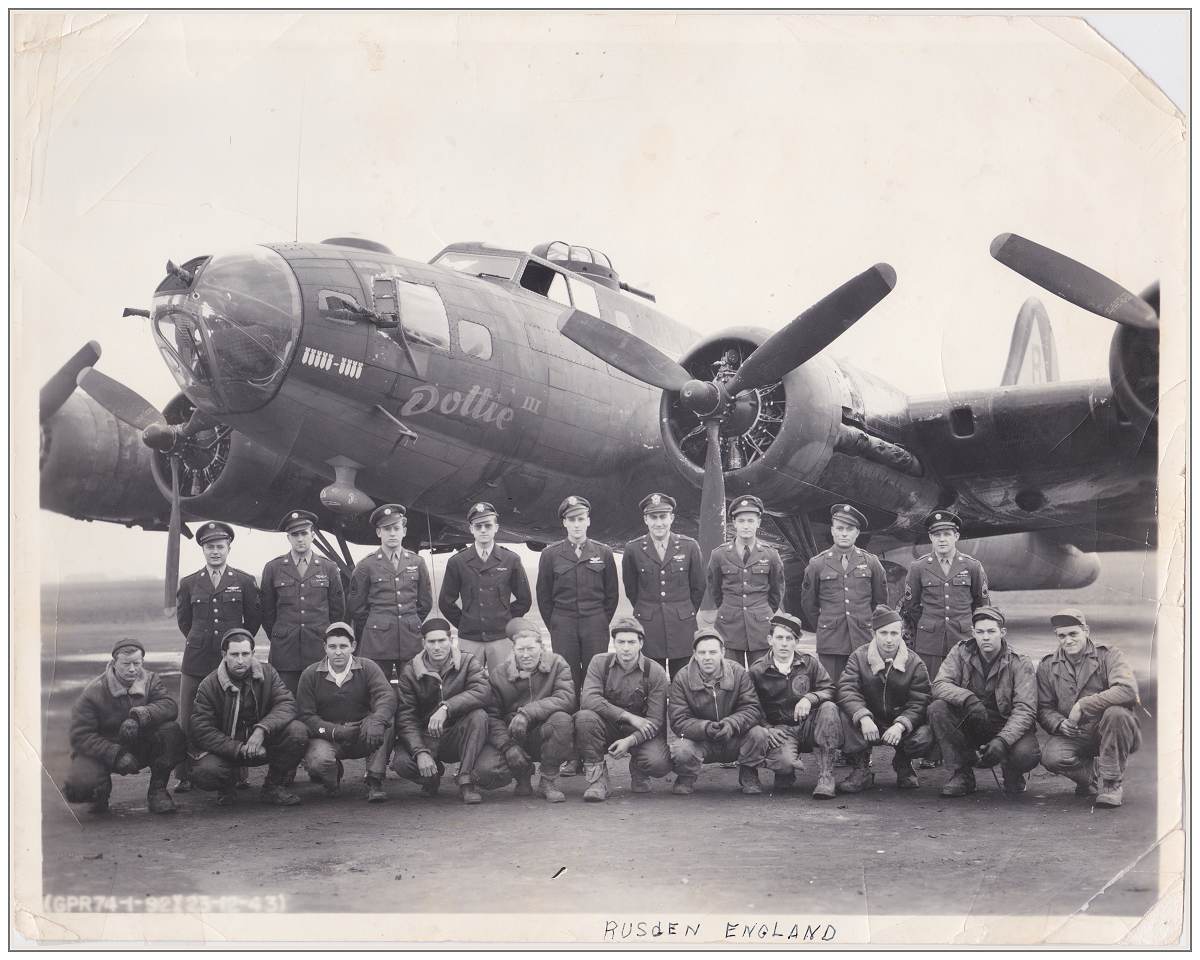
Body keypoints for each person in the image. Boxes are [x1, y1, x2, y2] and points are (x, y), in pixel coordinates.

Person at [174, 521, 262, 792]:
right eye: (210, 547)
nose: (215, 552)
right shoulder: (189, 583)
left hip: (232, 660)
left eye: (220, 547)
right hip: (198, 659)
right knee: (188, 715)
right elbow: (184, 622)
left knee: (237, 714)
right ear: (203, 550)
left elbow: (254, 619)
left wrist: (236, 647)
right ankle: (184, 774)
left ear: (228, 548)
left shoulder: (244, 581)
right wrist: (202, 640)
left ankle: (239, 773)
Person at [536, 495, 619, 775]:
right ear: (564, 523)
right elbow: (544, 597)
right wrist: (558, 624)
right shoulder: (550, 555)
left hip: (595, 621)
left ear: (589, 520)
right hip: (563, 623)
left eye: (581, 518)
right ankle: (571, 754)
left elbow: (611, 596)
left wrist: (598, 620)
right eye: (571, 519)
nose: (577, 524)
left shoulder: (603, 553)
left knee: (594, 685)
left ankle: (592, 750)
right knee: (568, 686)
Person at [391, 618, 509, 804]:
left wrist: (446, 707)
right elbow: (406, 717)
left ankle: (466, 780)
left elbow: (482, 692)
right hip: (427, 737)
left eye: (441, 641)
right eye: (431, 642)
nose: (437, 647)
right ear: (423, 643)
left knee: (479, 716)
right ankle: (431, 778)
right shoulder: (410, 671)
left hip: (461, 736)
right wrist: (420, 751)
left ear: (451, 640)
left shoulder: (468, 662)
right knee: (402, 763)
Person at [62, 639, 186, 815]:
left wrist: (139, 716)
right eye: (126, 664)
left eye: (137, 663)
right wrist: (116, 754)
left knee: (171, 732)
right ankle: (100, 792)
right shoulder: (94, 691)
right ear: (114, 663)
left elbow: (168, 706)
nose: (132, 669)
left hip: (141, 746)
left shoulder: (151, 680)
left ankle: (157, 790)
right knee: (79, 786)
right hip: (105, 751)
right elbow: (80, 735)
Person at [188, 628, 309, 806]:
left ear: (253, 653)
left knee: (298, 731)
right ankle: (227, 786)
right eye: (234, 654)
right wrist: (238, 748)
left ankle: (273, 787)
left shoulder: (268, 673)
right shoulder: (209, 685)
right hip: (228, 750)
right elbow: (202, 730)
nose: (240, 660)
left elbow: (287, 704)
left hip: (263, 743)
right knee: (205, 772)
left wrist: (262, 730)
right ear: (224, 654)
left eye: (245, 654)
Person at [928, 606, 1040, 797]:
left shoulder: (1020, 662)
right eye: (980, 632)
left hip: (1005, 724)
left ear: (1002, 633)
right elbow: (939, 684)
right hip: (973, 720)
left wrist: (1003, 741)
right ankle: (962, 773)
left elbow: (1025, 709)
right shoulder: (960, 652)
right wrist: (967, 698)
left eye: (991, 631)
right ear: (973, 633)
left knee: (1026, 755)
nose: (985, 637)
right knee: (937, 708)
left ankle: (1012, 772)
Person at [1037, 608, 1141, 808]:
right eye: (1062, 636)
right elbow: (1044, 708)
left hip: (1112, 730)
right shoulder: (1048, 665)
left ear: (1086, 630)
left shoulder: (1109, 655)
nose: (1068, 640)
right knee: (1051, 758)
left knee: (1116, 713)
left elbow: (1127, 690)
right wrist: (1059, 724)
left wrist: (1083, 704)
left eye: (1073, 634)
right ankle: (1089, 777)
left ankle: (1111, 784)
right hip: (1076, 733)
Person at [835, 605, 935, 794]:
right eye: (883, 633)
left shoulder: (914, 662)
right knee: (842, 714)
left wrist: (901, 725)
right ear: (874, 633)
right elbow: (846, 690)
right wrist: (863, 717)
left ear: (902, 634)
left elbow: (921, 700)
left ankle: (904, 762)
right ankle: (861, 768)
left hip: (899, 724)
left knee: (926, 733)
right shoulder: (858, 657)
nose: (889, 640)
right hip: (868, 722)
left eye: (894, 633)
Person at [295, 622, 397, 803]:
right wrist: (334, 731)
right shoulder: (310, 674)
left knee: (386, 723)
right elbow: (306, 715)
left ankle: (375, 780)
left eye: (343, 646)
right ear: (324, 647)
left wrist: (377, 720)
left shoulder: (368, 667)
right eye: (332, 646)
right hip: (327, 736)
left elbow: (386, 696)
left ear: (353, 646)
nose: (338, 652)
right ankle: (331, 779)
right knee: (318, 760)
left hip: (362, 733)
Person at [575, 616, 672, 802]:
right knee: (584, 718)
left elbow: (656, 720)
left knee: (658, 763)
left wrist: (630, 741)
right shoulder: (599, 663)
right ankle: (597, 780)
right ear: (614, 642)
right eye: (621, 642)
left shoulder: (655, 671)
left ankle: (640, 770)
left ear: (641, 643)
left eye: (631, 642)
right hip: (607, 726)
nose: (626, 648)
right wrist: (627, 716)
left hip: (640, 731)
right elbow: (588, 699)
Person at [747, 612, 842, 798]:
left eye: (789, 638)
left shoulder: (809, 663)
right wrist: (767, 729)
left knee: (829, 708)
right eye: (779, 638)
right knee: (784, 764)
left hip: (809, 725)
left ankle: (826, 776)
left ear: (796, 642)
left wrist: (810, 698)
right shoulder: (757, 670)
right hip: (781, 729)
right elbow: (750, 706)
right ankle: (785, 771)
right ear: (770, 640)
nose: (784, 643)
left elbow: (830, 689)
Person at [485, 617, 577, 802]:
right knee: (485, 773)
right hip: (513, 735)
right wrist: (508, 747)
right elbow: (492, 716)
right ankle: (522, 775)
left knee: (562, 721)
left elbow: (566, 698)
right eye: (521, 650)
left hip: (544, 732)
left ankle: (548, 780)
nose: (526, 654)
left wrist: (527, 713)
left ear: (541, 648)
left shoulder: (557, 664)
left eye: (531, 649)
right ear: (513, 650)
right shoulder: (499, 674)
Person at [667, 629, 767, 795]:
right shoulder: (682, 678)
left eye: (713, 652)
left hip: (734, 737)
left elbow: (752, 708)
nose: (707, 657)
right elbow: (678, 720)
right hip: (701, 741)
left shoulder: (739, 672)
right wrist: (705, 727)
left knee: (759, 734)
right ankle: (686, 777)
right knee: (681, 749)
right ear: (695, 654)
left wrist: (731, 724)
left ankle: (749, 773)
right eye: (702, 652)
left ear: (722, 652)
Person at [438, 501, 533, 671]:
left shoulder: (510, 559)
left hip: (501, 637)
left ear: (496, 527)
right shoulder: (457, 562)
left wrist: (504, 621)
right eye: (478, 526)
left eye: (487, 525)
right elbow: (445, 601)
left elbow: (524, 599)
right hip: (470, 638)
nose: (483, 530)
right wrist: (466, 622)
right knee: (469, 688)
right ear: (471, 529)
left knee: (504, 686)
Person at [799, 503, 887, 684]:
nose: (844, 533)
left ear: (857, 533)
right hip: (831, 643)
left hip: (863, 639)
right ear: (832, 531)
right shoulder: (817, 564)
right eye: (840, 528)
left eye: (849, 529)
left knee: (864, 689)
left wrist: (867, 623)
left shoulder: (872, 563)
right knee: (830, 689)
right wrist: (825, 626)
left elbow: (880, 603)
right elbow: (809, 603)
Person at [260, 509, 346, 694]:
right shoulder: (273, 568)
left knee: (320, 702)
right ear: (288, 538)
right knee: (284, 702)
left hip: (317, 649)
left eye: (304, 533)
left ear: (312, 535)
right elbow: (267, 613)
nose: (300, 539)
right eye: (295, 534)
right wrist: (281, 634)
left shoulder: (328, 568)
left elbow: (337, 610)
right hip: (285, 652)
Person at [899, 509, 990, 683]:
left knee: (965, 686)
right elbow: (911, 606)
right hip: (930, 642)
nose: (942, 539)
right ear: (931, 537)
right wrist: (930, 624)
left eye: (947, 534)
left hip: (963, 639)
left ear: (956, 536)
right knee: (930, 687)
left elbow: (982, 605)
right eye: (937, 534)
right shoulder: (918, 567)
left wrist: (968, 625)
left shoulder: (972, 566)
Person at [621, 492, 706, 678]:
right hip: (649, 626)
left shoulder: (689, 546)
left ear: (672, 518)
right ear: (645, 519)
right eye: (653, 517)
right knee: (651, 680)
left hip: (682, 625)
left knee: (684, 680)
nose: (659, 523)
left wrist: (684, 610)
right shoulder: (633, 549)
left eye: (663, 516)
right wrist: (646, 609)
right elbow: (631, 589)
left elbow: (698, 586)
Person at [347, 503, 433, 683]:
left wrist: (409, 622)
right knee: (376, 690)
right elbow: (356, 607)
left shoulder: (417, 562)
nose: (392, 533)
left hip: (410, 639)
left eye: (396, 528)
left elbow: (425, 603)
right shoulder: (366, 565)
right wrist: (377, 622)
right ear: (379, 532)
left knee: (413, 688)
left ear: (404, 531)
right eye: (387, 529)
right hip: (377, 640)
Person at [705, 496, 785, 669]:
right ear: (734, 523)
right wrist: (728, 607)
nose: (746, 525)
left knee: (763, 679)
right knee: (731, 679)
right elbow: (715, 589)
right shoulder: (719, 555)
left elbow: (777, 591)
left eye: (750, 520)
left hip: (761, 627)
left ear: (758, 522)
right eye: (741, 521)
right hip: (729, 628)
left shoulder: (770, 555)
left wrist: (762, 611)